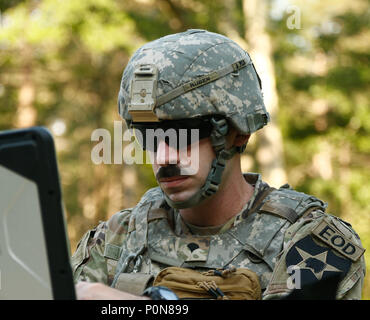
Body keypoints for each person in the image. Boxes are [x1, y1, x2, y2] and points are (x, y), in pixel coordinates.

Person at [72, 29, 366, 300]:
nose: (163, 157)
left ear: (238, 132)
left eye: (183, 134)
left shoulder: (312, 243)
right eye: (148, 135)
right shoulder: (116, 238)